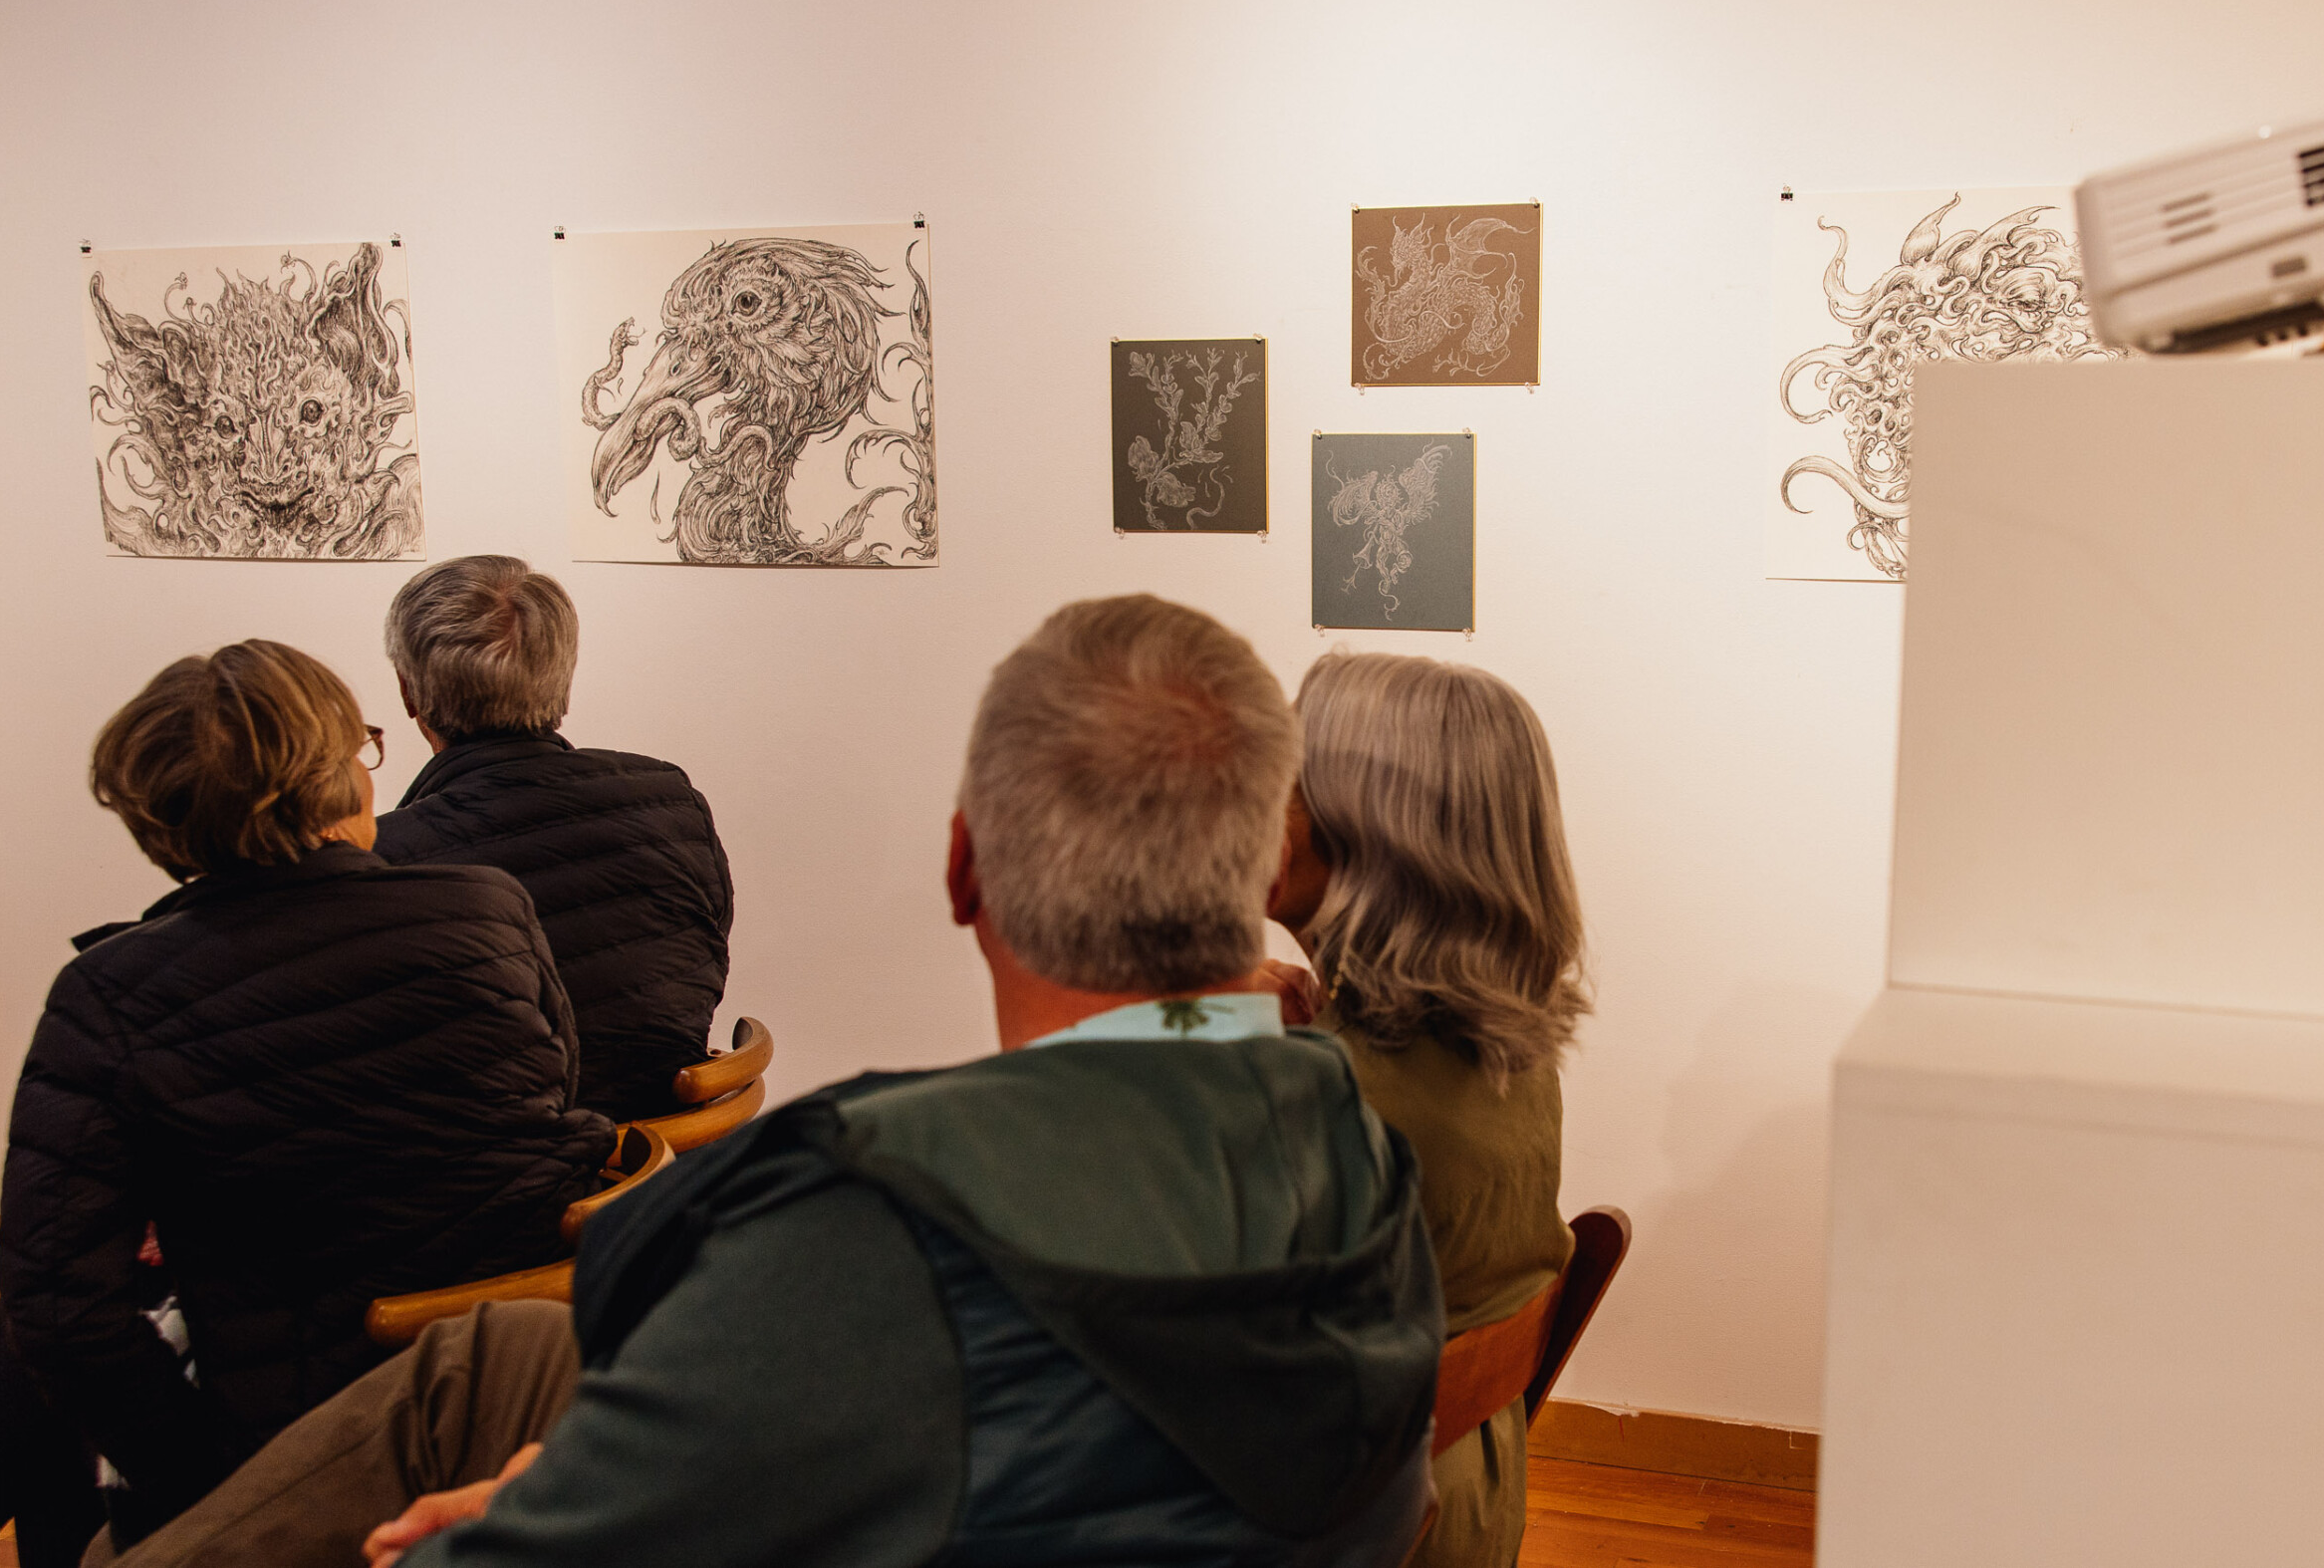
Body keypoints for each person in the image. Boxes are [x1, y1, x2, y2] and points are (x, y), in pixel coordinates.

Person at [87, 595, 1444, 1568]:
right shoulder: (1352, 1142)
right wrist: (588, 1478)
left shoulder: (872, 1215)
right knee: (498, 1360)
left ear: (964, 869)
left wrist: (533, 1517)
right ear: (1268, 869)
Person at [0, 643, 619, 1568]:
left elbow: (61, 1316)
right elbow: (554, 1092)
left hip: (299, 1408)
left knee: (57, 1341)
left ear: (158, 817)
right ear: (340, 781)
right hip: (491, 1359)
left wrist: (191, 1476)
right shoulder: (491, 910)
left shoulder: (112, 992)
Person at [1265, 651, 1592, 1568]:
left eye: (1279, 776)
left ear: (1368, 831)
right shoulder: (1502, 1048)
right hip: (1460, 1506)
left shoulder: (1326, 1102)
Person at [371, 555, 734, 1122]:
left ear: (408, 691)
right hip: (667, 1149)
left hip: (508, 1165)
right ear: (562, 677)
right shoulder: (668, 797)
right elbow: (707, 950)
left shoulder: (383, 862)